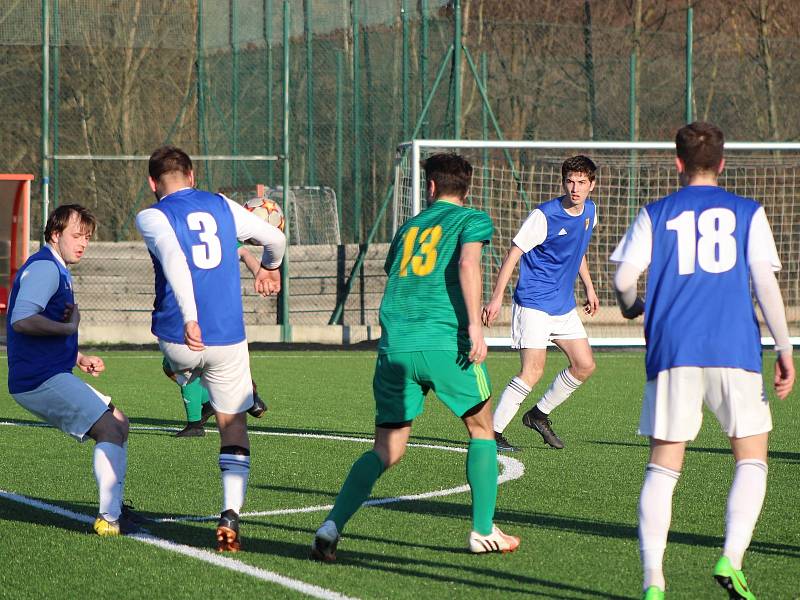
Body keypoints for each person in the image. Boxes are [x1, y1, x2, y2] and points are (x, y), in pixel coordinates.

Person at [610, 122, 795, 600]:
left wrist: (633, 306)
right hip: (735, 348)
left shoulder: (656, 213)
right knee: (751, 459)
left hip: (673, 351)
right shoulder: (747, 213)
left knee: (663, 467)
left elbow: (625, 280)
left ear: (677, 163)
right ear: (723, 163)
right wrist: (784, 346)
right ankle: (731, 558)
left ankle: (654, 582)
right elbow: (765, 285)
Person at [311, 153, 519, 562]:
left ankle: (332, 525)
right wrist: (475, 327)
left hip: (394, 347)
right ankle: (481, 531)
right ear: (468, 187)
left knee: (387, 448)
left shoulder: (408, 228)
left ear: (430, 188)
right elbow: (467, 262)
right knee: (482, 428)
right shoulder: (472, 219)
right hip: (443, 342)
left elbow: (401, 274)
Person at [136, 146, 286, 552]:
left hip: (178, 337)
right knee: (232, 424)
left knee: (178, 367)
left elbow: (174, 258)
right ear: (192, 174)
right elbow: (275, 237)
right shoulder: (220, 204)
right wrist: (269, 265)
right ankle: (231, 513)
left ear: (152, 183)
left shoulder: (151, 215)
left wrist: (188, 317)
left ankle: (196, 378)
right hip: (227, 337)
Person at [6, 204, 143, 536]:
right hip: (37, 379)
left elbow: (43, 324)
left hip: (48, 372)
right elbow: (22, 320)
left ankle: (114, 508)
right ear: (55, 234)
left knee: (120, 422)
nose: (83, 243)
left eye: (87, 237)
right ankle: (109, 519)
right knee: (110, 429)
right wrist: (68, 332)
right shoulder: (46, 269)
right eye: (76, 235)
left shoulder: (55, 268)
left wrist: (77, 356)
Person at [482, 155, 599, 452]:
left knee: (584, 365)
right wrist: (496, 298)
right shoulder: (544, 216)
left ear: (592, 185)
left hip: (562, 306)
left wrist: (589, 287)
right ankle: (492, 433)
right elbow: (513, 255)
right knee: (533, 371)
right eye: (570, 181)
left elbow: (578, 251)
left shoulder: (591, 212)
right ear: (563, 183)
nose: (575, 188)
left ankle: (538, 415)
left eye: (581, 182)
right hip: (533, 303)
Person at [168, 244, 266, 438]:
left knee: (177, 366)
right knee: (205, 365)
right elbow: (244, 252)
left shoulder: (182, 237)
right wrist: (260, 273)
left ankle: (195, 423)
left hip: (197, 313)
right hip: (223, 314)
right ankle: (236, 394)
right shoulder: (220, 236)